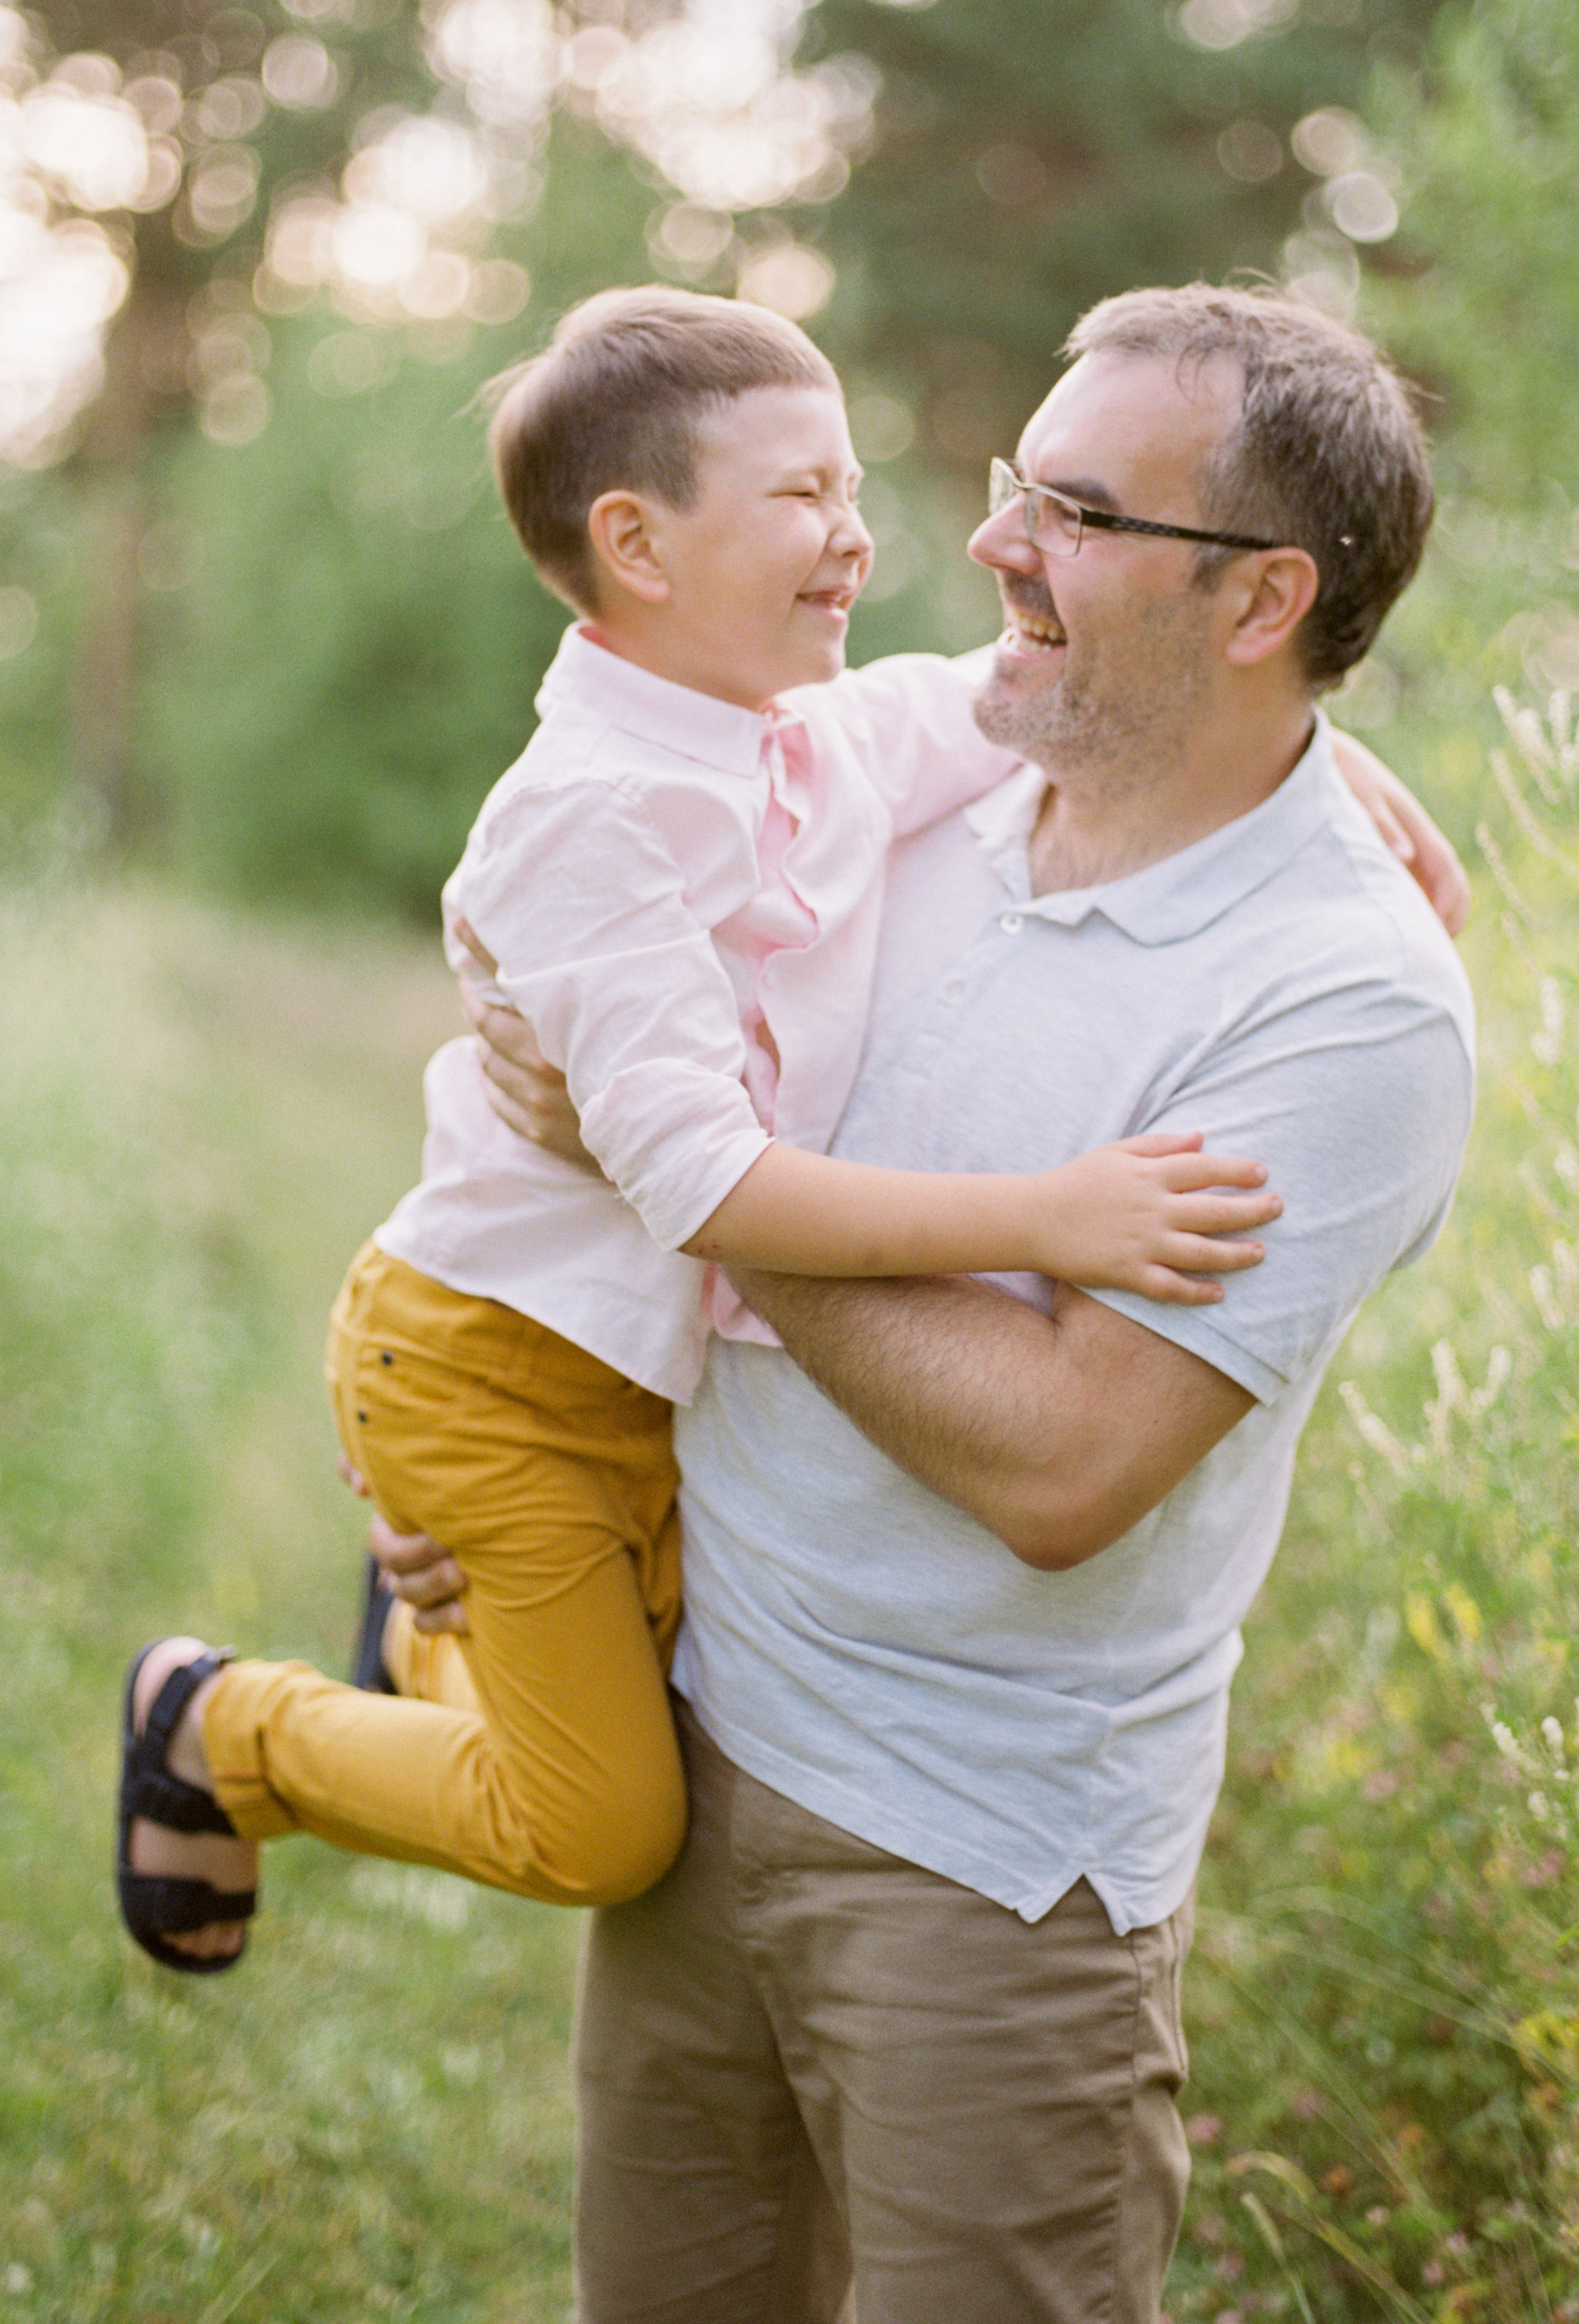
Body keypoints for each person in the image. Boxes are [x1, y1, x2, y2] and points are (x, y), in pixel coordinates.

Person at [386, 283, 1478, 2322]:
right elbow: (612, 902)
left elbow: (1062, 1463)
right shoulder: (949, 773)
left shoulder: (1343, 1005)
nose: (983, 545)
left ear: (1257, 604)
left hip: (983, 1871)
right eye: (1003, 486)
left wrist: (682, 1176)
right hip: (700, 1732)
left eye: (1064, 508)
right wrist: (534, 1487)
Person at [114, 287, 1292, 1976]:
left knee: (643, 1718)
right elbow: (703, 1185)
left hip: (621, 1372)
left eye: (851, 490)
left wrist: (1328, 767)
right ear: (636, 544)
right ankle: (220, 1729)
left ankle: (426, 1642)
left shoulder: (800, 734)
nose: (858, 540)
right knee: (602, 1825)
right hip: (496, 1357)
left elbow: (1059, 693)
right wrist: (1047, 1216)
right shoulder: (588, 820)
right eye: (802, 496)